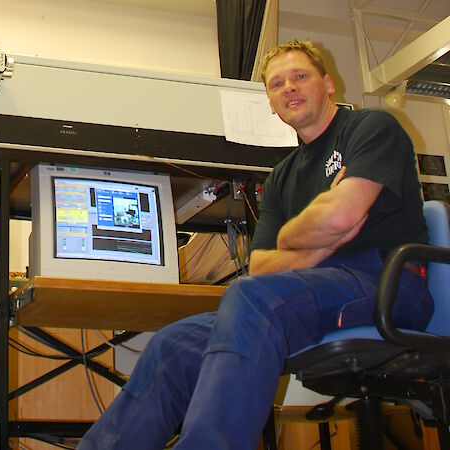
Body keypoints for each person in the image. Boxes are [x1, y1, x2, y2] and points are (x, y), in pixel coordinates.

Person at [78, 39, 434, 450]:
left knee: (251, 298)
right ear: (270, 103)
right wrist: (308, 241)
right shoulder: (282, 177)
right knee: (172, 344)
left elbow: (340, 217)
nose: (289, 89)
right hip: (313, 289)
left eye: (300, 76)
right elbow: (264, 265)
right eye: (277, 84)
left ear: (329, 83)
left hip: (387, 283)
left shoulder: (371, 128)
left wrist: (304, 239)